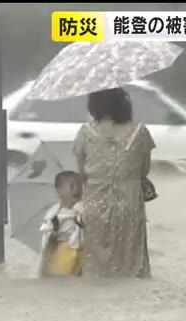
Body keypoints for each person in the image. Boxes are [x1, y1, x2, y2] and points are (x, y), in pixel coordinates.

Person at [73, 87, 155, 278]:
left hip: (94, 203)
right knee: (131, 267)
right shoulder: (140, 132)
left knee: (96, 269)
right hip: (130, 206)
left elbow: (81, 171)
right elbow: (144, 170)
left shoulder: (85, 133)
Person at [36, 171, 85, 277]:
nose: (77, 189)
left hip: (81, 254)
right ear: (59, 192)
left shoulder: (83, 209)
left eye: (79, 185)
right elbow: (47, 242)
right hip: (63, 253)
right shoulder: (54, 214)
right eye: (72, 186)